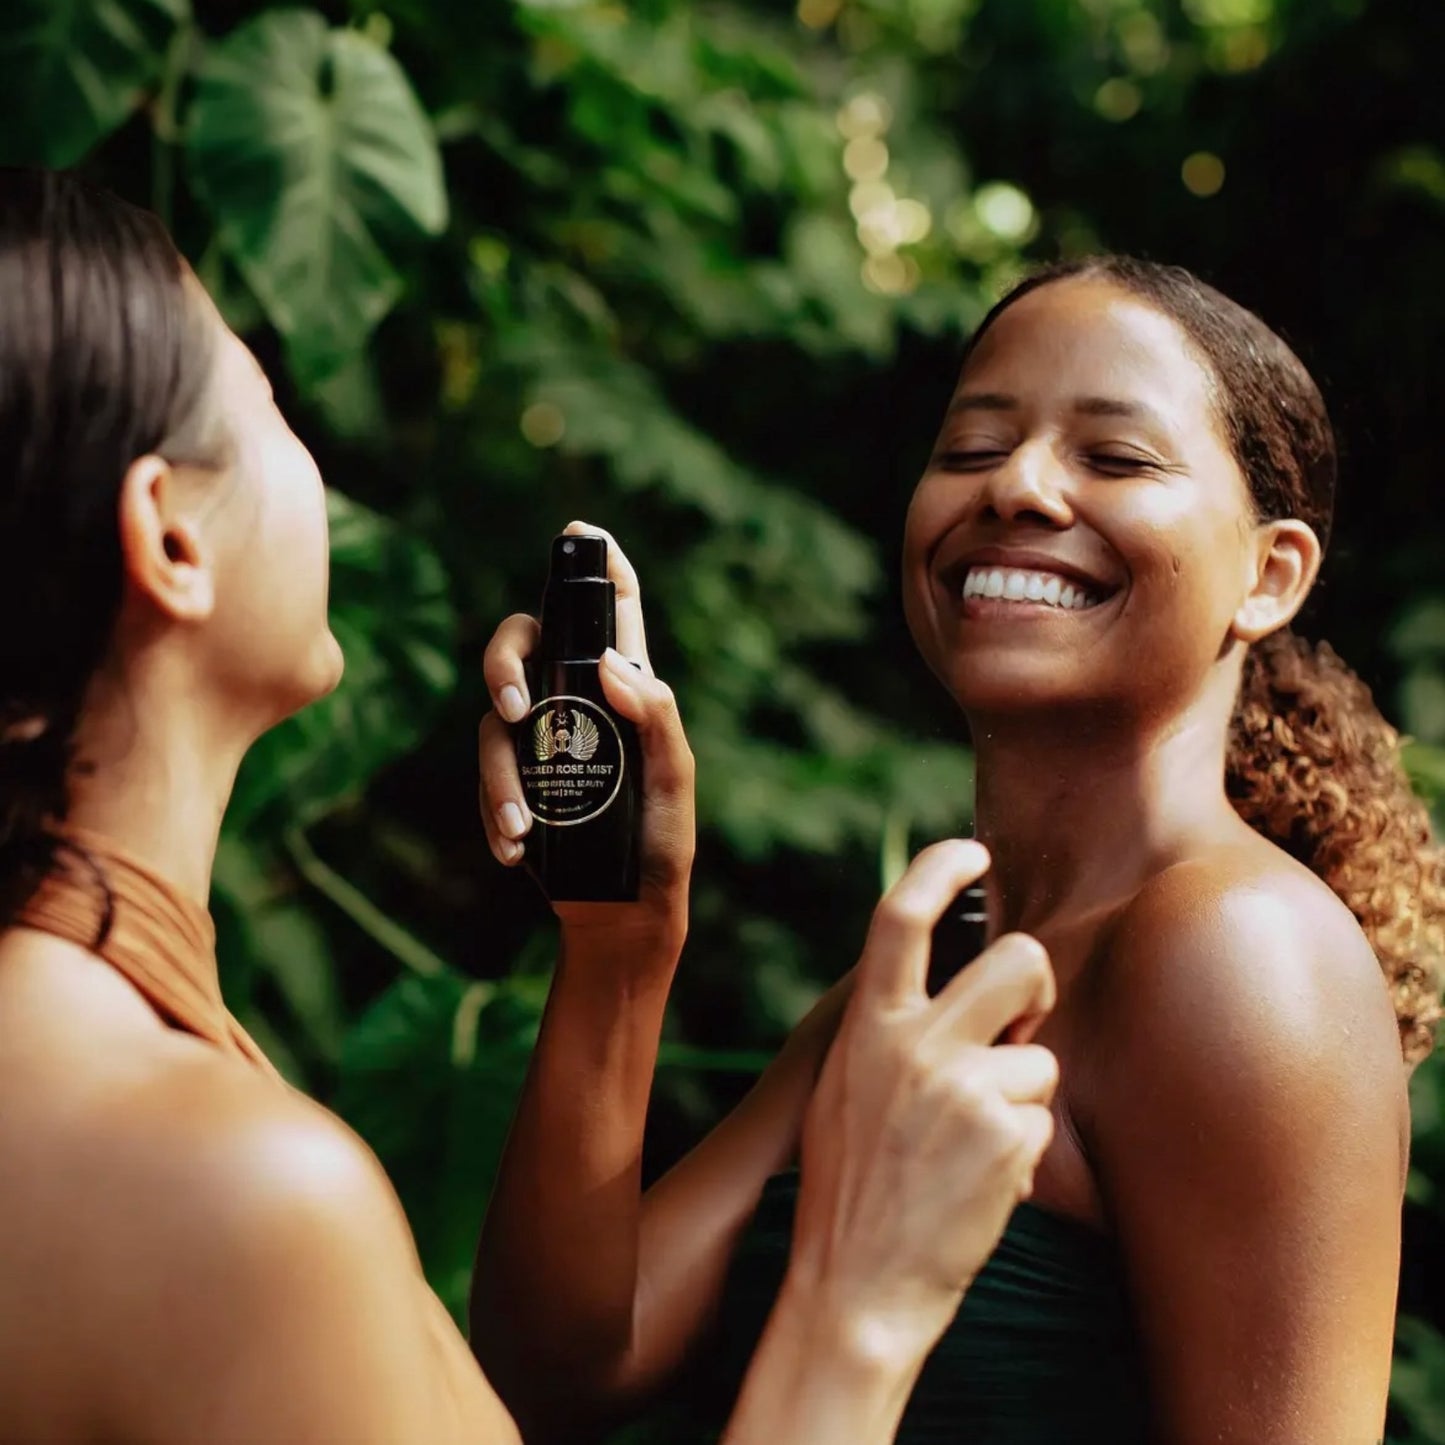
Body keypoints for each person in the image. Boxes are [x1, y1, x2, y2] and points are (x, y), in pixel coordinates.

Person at [0, 167, 1064, 1444]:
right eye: (270, 408)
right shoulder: (227, 1185)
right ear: (171, 538)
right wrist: (862, 1296)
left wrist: (619, 942)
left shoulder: (115, 1030)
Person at [473, 259, 1445, 1443]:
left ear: (1267, 573)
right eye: (972, 447)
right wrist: (618, 937)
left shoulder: (1238, 950)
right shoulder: (925, 983)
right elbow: (561, 1370)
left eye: (1114, 456)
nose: (1017, 488)